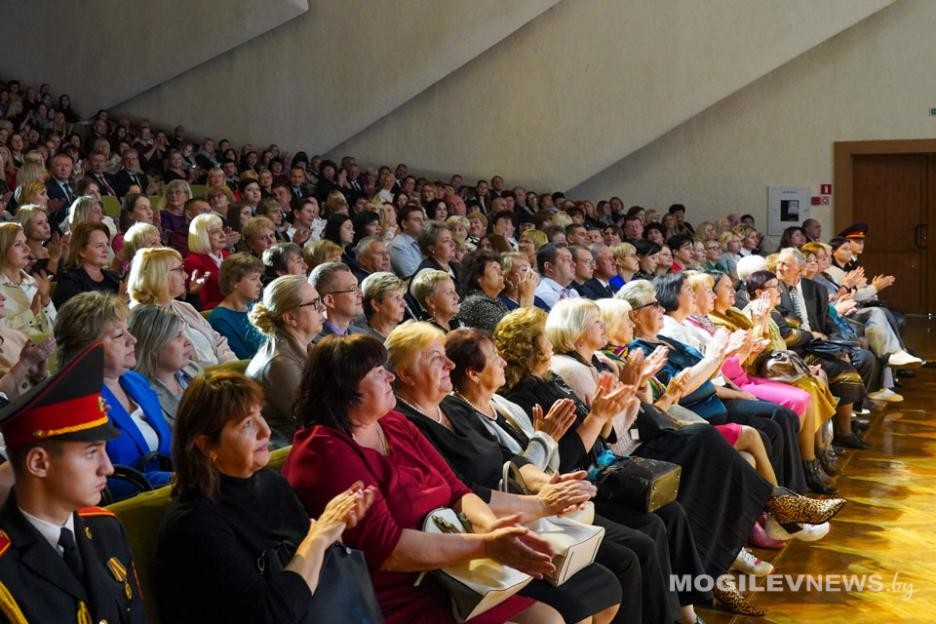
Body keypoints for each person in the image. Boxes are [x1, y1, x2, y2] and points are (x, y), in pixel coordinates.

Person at [284, 334, 565, 624]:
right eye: (379, 373)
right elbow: (389, 550)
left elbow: (457, 491)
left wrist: (494, 528)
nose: (391, 377)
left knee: (550, 616)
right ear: (346, 388)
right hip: (393, 594)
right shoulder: (325, 452)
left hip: (447, 572)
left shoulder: (393, 422)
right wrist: (486, 544)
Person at [385, 323, 623, 624]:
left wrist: (548, 483)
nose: (449, 364)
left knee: (607, 586)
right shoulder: (407, 423)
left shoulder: (453, 407)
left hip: (518, 516)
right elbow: (461, 491)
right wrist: (542, 503)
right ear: (405, 375)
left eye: (446, 355)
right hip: (479, 540)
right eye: (435, 358)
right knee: (574, 605)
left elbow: (508, 457)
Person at [155, 370, 379, 624]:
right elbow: (270, 614)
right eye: (247, 424)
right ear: (206, 446)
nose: (266, 431)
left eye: (260, 414)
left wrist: (336, 526)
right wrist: (318, 538)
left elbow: (304, 559)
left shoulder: (271, 483)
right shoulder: (193, 524)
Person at [0, 343, 145, 623]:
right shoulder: (6, 565)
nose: (109, 468)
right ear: (39, 463)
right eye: (91, 453)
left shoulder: (106, 527)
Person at [54, 292, 173, 499]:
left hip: (168, 495)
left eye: (128, 331)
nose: (133, 340)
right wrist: (174, 479)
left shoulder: (137, 381)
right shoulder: (76, 400)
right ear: (87, 348)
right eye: (120, 335)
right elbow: (100, 482)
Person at [246, 275, 323, 446]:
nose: (322, 307)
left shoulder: (306, 346)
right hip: (289, 448)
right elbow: (313, 418)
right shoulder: (279, 362)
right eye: (315, 303)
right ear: (290, 318)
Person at [128, 247, 236, 367]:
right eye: (180, 270)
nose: (185, 276)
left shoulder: (183, 306)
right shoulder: (143, 318)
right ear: (158, 275)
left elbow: (218, 341)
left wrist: (230, 365)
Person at [128, 304, 201, 426]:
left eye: (184, 333)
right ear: (153, 346)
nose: (188, 342)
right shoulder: (144, 397)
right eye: (178, 336)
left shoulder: (193, 369)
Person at [0, 222, 55, 339]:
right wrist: (31, 313)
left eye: (25, 242)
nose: (28, 249)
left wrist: (46, 301)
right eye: (18, 244)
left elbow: (54, 330)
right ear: (2, 250)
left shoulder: (35, 283)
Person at [209, 253, 267, 359]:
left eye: (259, 278)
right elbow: (241, 358)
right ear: (233, 282)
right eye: (254, 279)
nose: (260, 284)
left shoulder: (253, 306)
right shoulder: (221, 319)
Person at [52, 222, 122, 308]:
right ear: (82, 251)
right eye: (100, 246)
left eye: (107, 244)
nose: (106, 250)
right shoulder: (69, 282)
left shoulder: (113, 278)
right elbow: (80, 318)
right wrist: (120, 301)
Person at [183, 213, 230, 310]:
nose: (223, 235)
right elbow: (202, 305)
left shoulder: (228, 256)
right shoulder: (193, 262)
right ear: (202, 236)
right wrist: (233, 304)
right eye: (215, 232)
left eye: (222, 229)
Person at [360, 272, 408, 341]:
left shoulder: (408, 334)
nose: (404, 304)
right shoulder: (367, 343)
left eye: (402, 297)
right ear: (376, 304)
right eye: (396, 298)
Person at [388, 204, 425, 278]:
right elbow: (413, 276)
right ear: (404, 224)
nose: (423, 223)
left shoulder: (422, 242)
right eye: (417, 220)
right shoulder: (398, 245)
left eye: (423, 219)